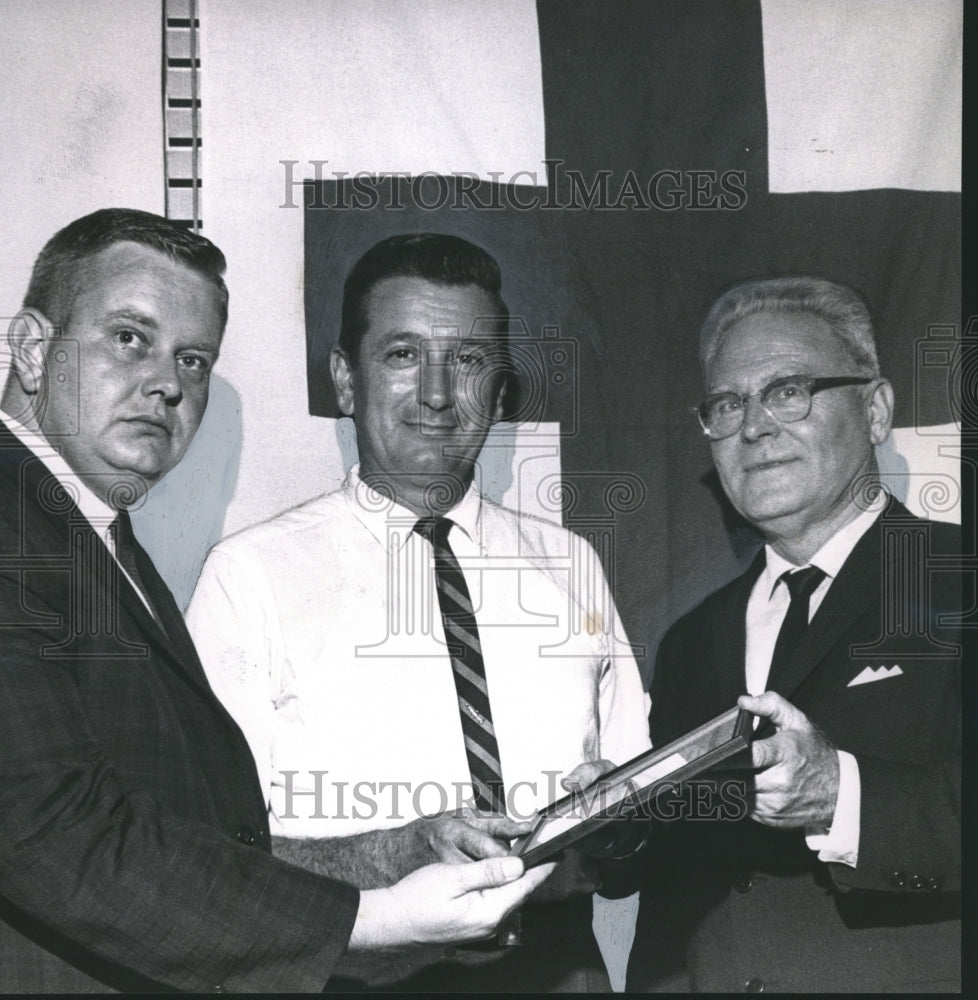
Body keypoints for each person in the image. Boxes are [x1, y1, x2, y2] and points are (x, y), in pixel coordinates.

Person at [0, 209, 556, 993]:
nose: (167, 382)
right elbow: (52, 830)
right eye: (130, 338)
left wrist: (395, 858)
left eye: (194, 360)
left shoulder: (99, 541)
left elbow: (195, 830)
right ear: (30, 349)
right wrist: (370, 926)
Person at [187, 232, 652, 991]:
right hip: (359, 977)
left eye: (468, 361)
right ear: (345, 379)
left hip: (563, 971)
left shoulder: (571, 565)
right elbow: (213, 853)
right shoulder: (249, 578)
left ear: (499, 392)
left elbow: (634, 827)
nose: (437, 393)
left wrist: (623, 828)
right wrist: (398, 851)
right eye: (403, 354)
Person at [627, 277, 961, 992]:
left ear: (875, 411)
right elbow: (674, 902)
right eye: (727, 404)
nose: (753, 427)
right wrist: (615, 823)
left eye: (788, 391)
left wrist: (844, 794)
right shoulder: (690, 640)